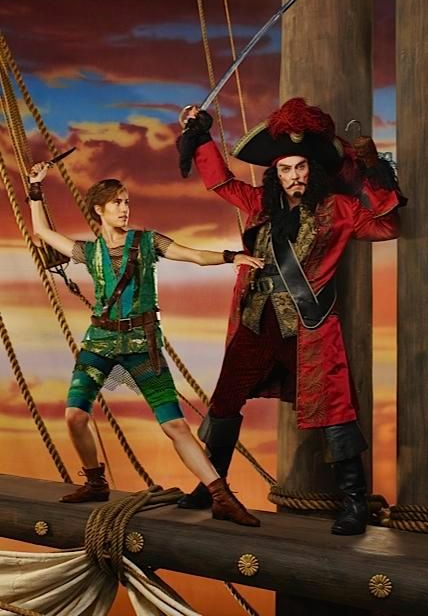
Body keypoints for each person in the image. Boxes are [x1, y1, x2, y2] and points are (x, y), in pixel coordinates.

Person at [176, 97, 406, 535]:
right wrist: (199, 135)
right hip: (255, 324)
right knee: (223, 404)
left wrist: (373, 171)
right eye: (285, 169)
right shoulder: (258, 204)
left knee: (335, 409)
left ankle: (355, 503)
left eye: (300, 167)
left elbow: (388, 226)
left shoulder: (338, 209)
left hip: (309, 329)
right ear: (275, 173)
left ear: (312, 170)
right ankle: (213, 488)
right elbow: (220, 181)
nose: (294, 176)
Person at [27, 161, 264, 527]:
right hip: (100, 343)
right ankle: (95, 483)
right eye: (117, 202)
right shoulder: (88, 252)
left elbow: (194, 255)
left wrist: (232, 256)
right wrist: (35, 188)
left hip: (142, 346)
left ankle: (222, 497)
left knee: (175, 427)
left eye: (127, 201)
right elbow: (42, 231)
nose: (125, 208)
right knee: (75, 416)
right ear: (99, 209)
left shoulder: (148, 242)